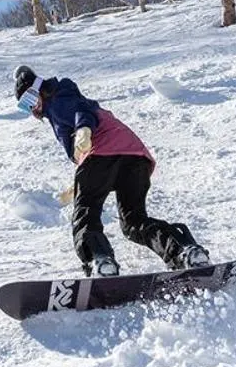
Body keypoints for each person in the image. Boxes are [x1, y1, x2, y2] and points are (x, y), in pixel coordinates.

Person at [13, 63, 212, 278]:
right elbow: (83, 143)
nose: (32, 108)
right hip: (135, 157)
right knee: (134, 222)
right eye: (24, 106)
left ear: (41, 88)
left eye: (30, 99)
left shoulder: (59, 95)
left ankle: (100, 260)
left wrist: (83, 129)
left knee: (85, 214)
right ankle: (185, 251)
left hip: (103, 154)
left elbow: (81, 111)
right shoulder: (55, 109)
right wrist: (78, 184)